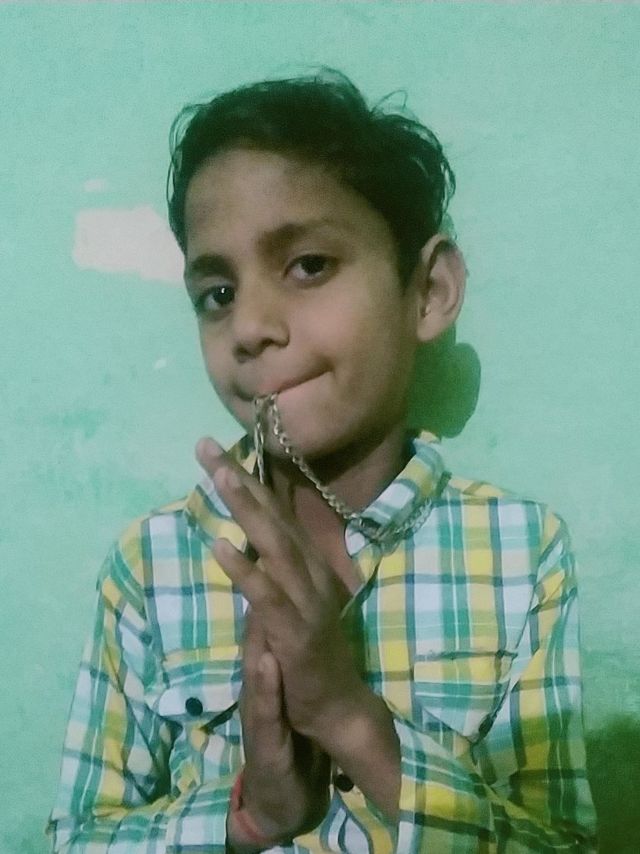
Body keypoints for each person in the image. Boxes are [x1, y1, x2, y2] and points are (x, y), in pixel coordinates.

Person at [47, 68, 597, 853]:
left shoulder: (521, 553)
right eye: (217, 293)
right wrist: (250, 818)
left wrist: (347, 716)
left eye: (308, 265)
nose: (250, 327)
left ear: (428, 291)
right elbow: (77, 838)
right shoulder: (152, 565)